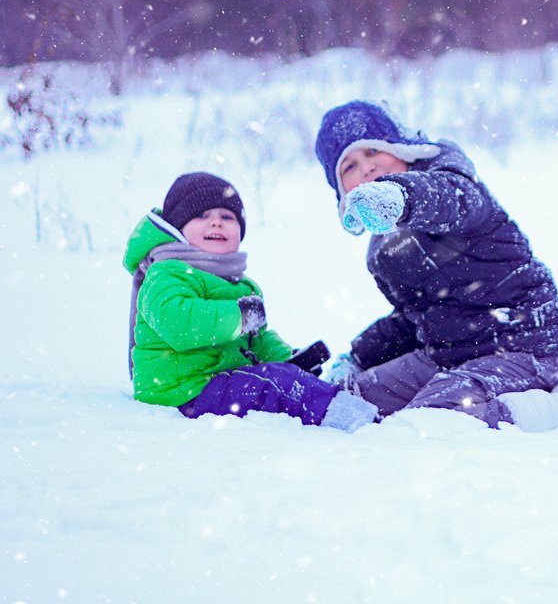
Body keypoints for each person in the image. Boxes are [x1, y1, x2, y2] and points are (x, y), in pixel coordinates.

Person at [314, 100, 558, 431]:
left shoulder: (448, 178)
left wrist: (402, 197)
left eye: (373, 151)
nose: (366, 168)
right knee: (351, 402)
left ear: (401, 148)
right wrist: (358, 357)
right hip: (446, 356)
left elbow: (449, 198)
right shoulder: (383, 251)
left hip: (522, 347)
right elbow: (413, 317)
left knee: (435, 419)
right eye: (349, 167)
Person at [123, 171, 376, 431]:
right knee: (274, 384)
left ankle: (345, 406)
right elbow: (180, 325)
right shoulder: (165, 272)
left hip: (218, 382)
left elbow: (256, 339)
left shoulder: (242, 285)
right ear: (179, 229)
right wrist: (239, 317)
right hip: (179, 391)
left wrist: (288, 360)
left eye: (227, 217)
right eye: (202, 216)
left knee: (283, 377)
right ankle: (351, 420)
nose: (216, 223)